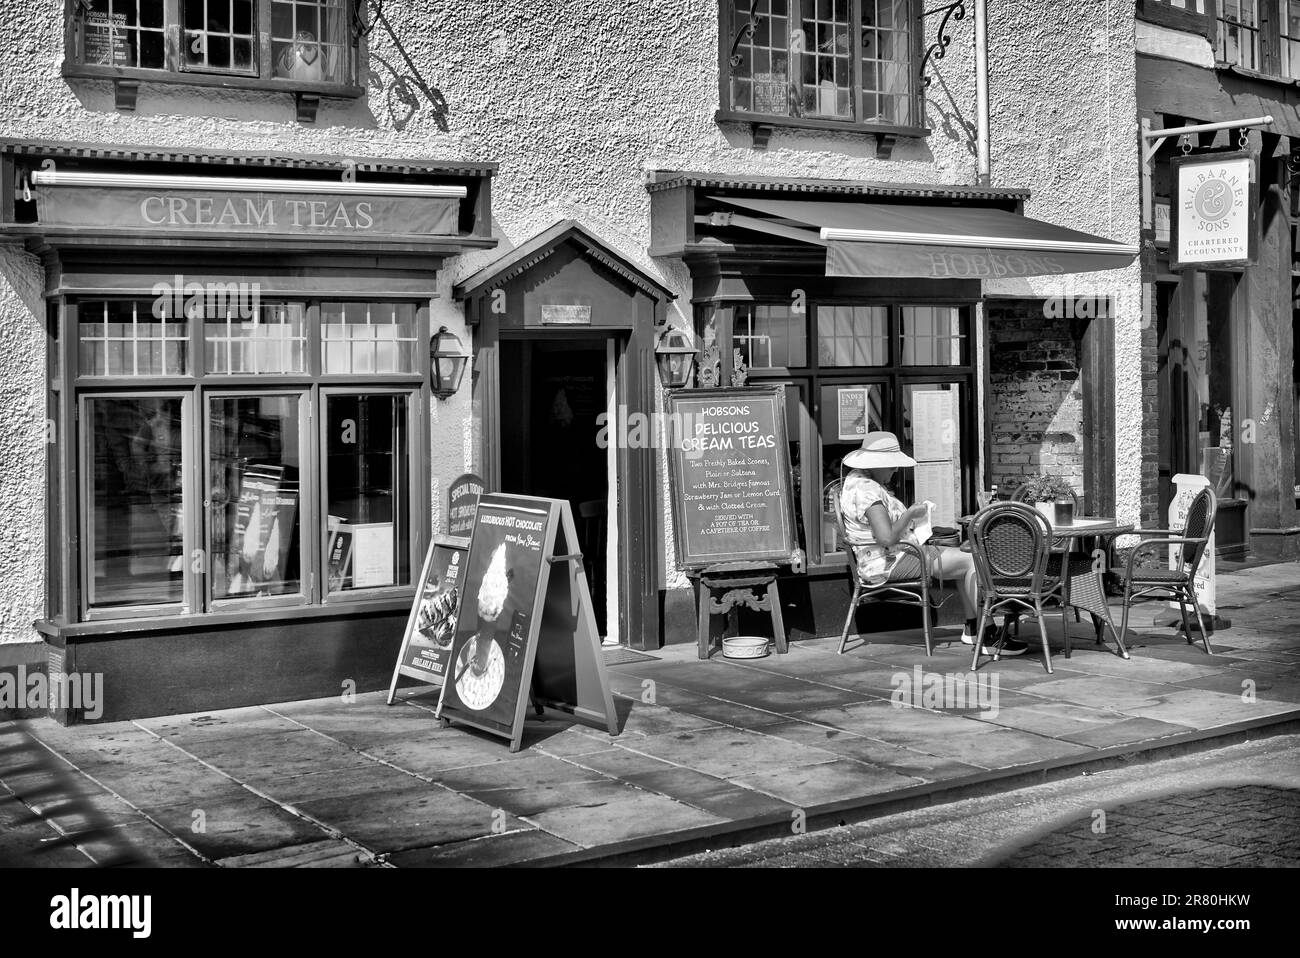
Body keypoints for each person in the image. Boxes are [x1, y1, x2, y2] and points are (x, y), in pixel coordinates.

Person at [839, 431, 1027, 656]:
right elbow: (886, 538)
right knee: (971, 561)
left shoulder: (855, 482)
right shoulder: (869, 491)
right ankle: (987, 635)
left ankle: (974, 628)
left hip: (885, 558)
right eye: (891, 465)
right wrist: (910, 514)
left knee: (961, 559)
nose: (896, 469)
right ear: (876, 464)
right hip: (890, 561)